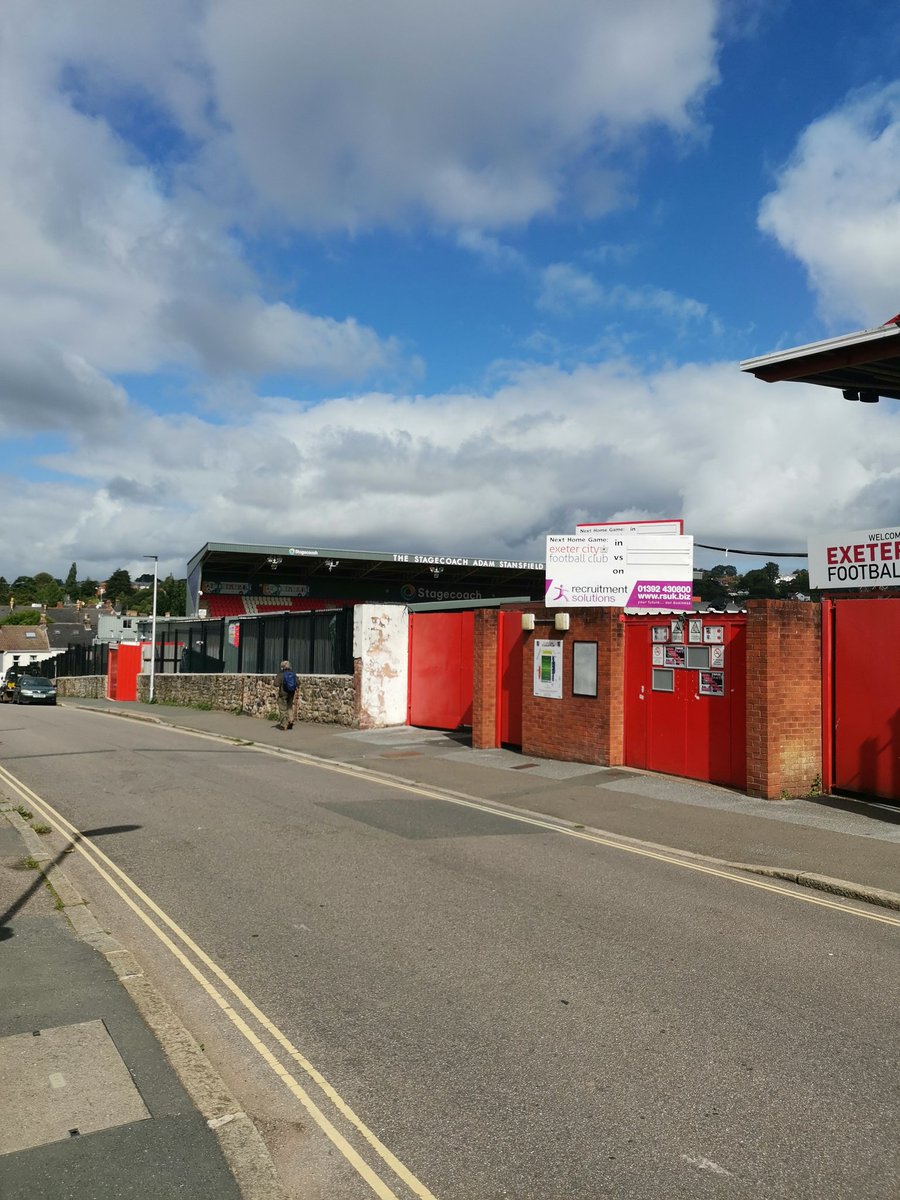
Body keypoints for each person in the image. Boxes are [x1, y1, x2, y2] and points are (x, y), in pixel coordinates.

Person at [274, 659, 297, 730]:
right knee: (289, 707)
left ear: (282, 667)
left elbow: (276, 684)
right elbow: (298, 683)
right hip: (291, 693)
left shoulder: (281, 674)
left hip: (283, 694)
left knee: (283, 709)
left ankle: (284, 725)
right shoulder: (293, 674)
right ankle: (291, 720)